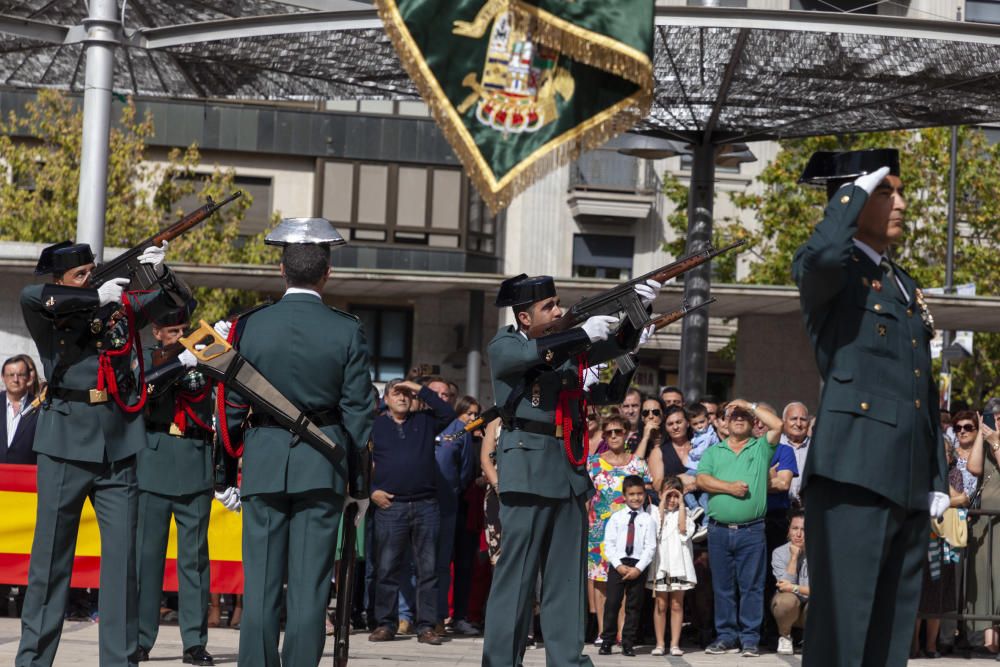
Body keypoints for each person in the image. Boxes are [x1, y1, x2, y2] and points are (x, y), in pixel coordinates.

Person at [792, 148, 950, 667]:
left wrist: (936, 479)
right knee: (843, 631)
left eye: (899, 191)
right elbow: (821, 256)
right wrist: (853, 193)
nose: (900, 203)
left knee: (889, 635)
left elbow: (920, 389)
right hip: (853, 475)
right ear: (850, 198)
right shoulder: (833, 272)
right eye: (886, 191)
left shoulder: (901, 283)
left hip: (903, 481)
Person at [17, 239, 189, 667]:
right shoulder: (49, 308)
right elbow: (31, 295)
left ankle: (121, 659)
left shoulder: (119, 305)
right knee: (51, 560)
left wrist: (162, 273)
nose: (90, 278)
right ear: (60, 280)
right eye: (80, 275)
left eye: (93, 271)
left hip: (117, 439)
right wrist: (94, 293)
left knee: (122, 564)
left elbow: (181, 303)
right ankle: (34, 660)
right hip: (65, 440)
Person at [481, 272, 659, 667]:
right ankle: (500, 661)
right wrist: (583, 333)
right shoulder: (506, 343)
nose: (558, 310)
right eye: (549, 306)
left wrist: (639, 309)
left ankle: (567, 660)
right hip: (527, 470)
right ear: (525, 318)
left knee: (566, 582)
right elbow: (535, 356)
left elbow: (613, 347)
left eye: (558, 303)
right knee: (517, 581)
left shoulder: (564, 351)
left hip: (568, 473)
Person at [217, 220, 374, 667]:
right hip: (321, 466)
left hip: (264, 462)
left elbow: (229, 403)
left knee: (262, 587)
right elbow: (360, 414)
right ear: (327, 274)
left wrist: (225, 472)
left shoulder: (251, 325)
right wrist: (359, 483)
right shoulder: (346, 329)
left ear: (281, 271)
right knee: (308, 593)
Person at [133, 302, 220, 666]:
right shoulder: (149, 360)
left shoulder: (200, 361)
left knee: (194, 562)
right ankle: (140, 639)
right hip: (155, 461)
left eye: (185, 330)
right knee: (146, 560)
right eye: (173, 332)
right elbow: (144, 395)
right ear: (157, 333)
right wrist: (173, 363)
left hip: (194, 462)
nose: (181, 337)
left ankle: (194, 642)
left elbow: (203, 392)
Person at [368, 378, 455, 645]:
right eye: (397, 393)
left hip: (425, 504)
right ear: (386, 399)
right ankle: (385, 623)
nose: (403, 398)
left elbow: (448, 412)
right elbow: (358, 459)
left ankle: (426, 626)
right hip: (389, 506)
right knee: (387, 568)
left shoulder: (425, 421)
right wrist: (371, 491)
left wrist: (416, 386)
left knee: (427, 570)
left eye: (407, 394)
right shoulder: (375, 425)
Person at [696, 399, 783, 657]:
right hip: (718, 530)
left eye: (743, 415)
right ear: (724, 422)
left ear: (753, 421)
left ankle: (749, 639)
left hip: (752, 531)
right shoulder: (714, 451)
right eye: (733, 415)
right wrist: (729, 487)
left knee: (752, 587)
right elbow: (701, 479)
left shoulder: (760, 448)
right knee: (722, 587)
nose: (738, 418)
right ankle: (725, 636)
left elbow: (778, 424)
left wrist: (749, 404)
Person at [586, 414, 651, 644]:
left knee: (625, 582)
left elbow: (648, 497)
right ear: (604, 435)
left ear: (626, 434)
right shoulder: (592, 463)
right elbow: (584, 498)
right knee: (602, 582)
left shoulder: (638, 464)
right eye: (609, 432)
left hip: (629, 532)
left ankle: (624, 633)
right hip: (598, 531)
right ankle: (605, 633)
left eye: (618, 431)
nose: (613, 435)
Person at [913, 438, 968, 659]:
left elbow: (962, 497)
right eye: (938, 452)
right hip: (921, 540)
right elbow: (925, 500)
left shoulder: (954, 474)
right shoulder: (920, 475)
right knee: (919, 593)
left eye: (946, 452)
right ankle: (914, 644)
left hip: (945, 542)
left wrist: (941, 483)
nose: (943, 457)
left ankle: (932, 645)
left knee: (937, 594)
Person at [598, 475, 656, 657]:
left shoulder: (648, 519)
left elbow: (651, 546)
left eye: (639, 494)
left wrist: (638, 568)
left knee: (634, 606)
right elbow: (609, 544)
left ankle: (628, 642)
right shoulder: (616, 518)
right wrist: (618, 565)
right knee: (613, 603)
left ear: (645, 495)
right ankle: (607, 640)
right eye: (631, 494)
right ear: (624, 495)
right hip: (619, 564)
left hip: (638, 565)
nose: (636, 498)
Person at [647, 476, 697, 657]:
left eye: (675, 495)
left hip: (679, 565)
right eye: (668, 495)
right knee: (660, 604)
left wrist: (682, 504)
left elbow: (683, 530)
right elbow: (656, 530)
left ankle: (675, 643)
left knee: (676, 604)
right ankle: (660, 643)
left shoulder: (686, 513)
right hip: (661, 565)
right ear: (660, 495)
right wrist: (662, 502)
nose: (672, 500)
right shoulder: (653, 512)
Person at [963, 407, 1000, 651]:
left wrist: (996, 444)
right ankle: (990, 639)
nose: (996, 421)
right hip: (985, 521)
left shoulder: (995, 444)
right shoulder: (985, 442)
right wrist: (981, 439)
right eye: (995, 417)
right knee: (986, 577)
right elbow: (974, 469)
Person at [771, 509, 809, 656]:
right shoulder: (779, 553)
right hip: (790, 608)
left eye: (804, 529)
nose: (798, 534)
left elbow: (822, 590)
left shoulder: (819, 553)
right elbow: (784, 587)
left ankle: (810, 637)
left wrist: (794, 587)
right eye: (795, 529)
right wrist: (793, 557)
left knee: (822, 600)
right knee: (785, 600)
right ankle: (785, 636)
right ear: (788, 531)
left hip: (809, 608)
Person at [1, 354, 39, 464]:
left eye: (21, 375)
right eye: (11, 375)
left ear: (28, 377)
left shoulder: (40, 408)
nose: (15, 379)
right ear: (3, 377)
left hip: (26, 476)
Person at [781, 402, 811, 507]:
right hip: (779, 509)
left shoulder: (815, 448)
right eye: (793, 419)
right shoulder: (774, 446)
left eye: (803, 419)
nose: (798, 424)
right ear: (783, 421)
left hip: (808, 508)